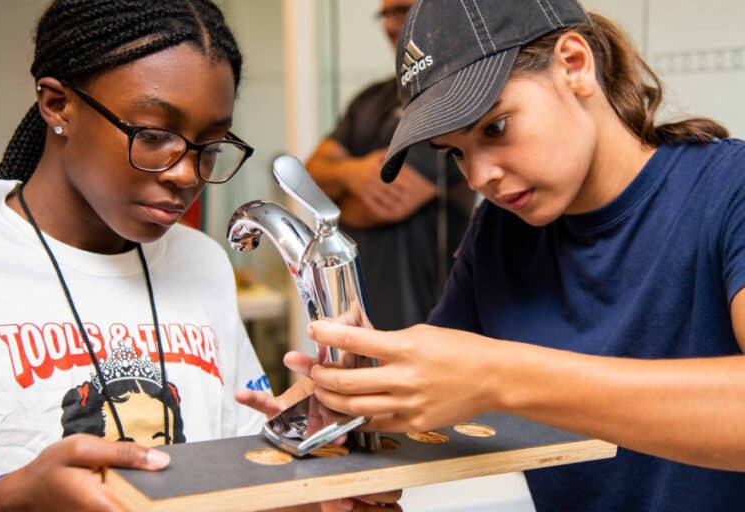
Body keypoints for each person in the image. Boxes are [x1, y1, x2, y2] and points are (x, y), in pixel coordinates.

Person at [292, 0, 745, 510]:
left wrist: (499, 377)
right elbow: (426, 405)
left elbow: (486, 376)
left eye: (496, 128)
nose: (478, 176)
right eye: (455, 152)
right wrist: (347, 416)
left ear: (574, 64)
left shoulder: (730, 190)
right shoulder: (501, 234)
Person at [0, 1, 399, 510]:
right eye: (153, 136)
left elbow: (231, 487)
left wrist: (323, 491)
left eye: (212, 145)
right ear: (57, 104)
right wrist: (12, 498)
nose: (187, 174)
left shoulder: (202, 262)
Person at [305, 0, 474, 330]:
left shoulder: (456, 100)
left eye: (403, 10)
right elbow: (311, 177)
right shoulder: (370, 100)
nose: (392, 24)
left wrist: (335, 202)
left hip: (432, 318)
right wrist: (352, 173)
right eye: (386, 13)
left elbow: (385, 201)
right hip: (362, 311)